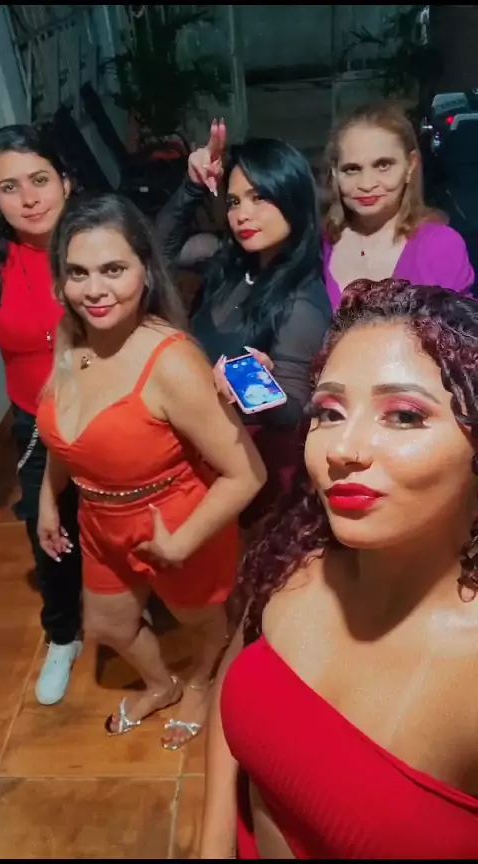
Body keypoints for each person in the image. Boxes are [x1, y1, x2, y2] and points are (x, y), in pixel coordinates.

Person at [200, 280, 478, 858]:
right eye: (329, 412)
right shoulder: (297, 561)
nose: (341, 448)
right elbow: (238, 670)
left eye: (404, 415)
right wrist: (212, 843)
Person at [36, 193, 266, 749]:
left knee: (200, 622)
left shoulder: (173, 362)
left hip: (175, 521)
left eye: (113, 269)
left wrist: (180, 543)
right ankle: (162, 685)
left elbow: (247, 472)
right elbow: (67, 431)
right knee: (107, 626)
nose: (94, 289)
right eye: (78, 273)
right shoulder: (71, 336)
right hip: (99, 522)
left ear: (145, 271)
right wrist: (48, 497)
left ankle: (201, 682)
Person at [156, 121, 331, 527]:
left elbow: (293, 414)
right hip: (202, 453)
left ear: (292, 198)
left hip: (254, 474)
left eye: (259, 197)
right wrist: (192, 186)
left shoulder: (302, 301)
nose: (242, 215)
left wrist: (256, 389)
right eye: (234, 201)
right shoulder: (228, 263)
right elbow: (156, 256)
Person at [0, 125, 82, 705]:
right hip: (34, 426)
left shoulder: (98, 243)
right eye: (9, 187)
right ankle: (63, 634)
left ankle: (135, 611)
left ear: (66, 183)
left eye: (39, 180)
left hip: (110, 413)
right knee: (46, 531)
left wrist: (193, 189)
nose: (28, 199)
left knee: (119, 520)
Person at [322, 101, 475, 309]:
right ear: (335, 172)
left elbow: (461, 327)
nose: (367, 184)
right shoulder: (316, 250)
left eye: (383, 165)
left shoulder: (440, 247)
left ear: (410, 166)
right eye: (352, 169)